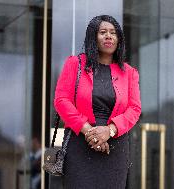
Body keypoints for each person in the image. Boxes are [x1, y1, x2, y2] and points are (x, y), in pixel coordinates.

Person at [54, 15, 141, 189]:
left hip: (115, 148)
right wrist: (89, 132)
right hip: (79, 145)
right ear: (93, 37)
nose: (109, 36)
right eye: (103, 32)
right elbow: (61, 101)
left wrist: (109, 130)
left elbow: (134, 109)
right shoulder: (75, 64)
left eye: (113, 33)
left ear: (119, 39)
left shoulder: (129, 73)